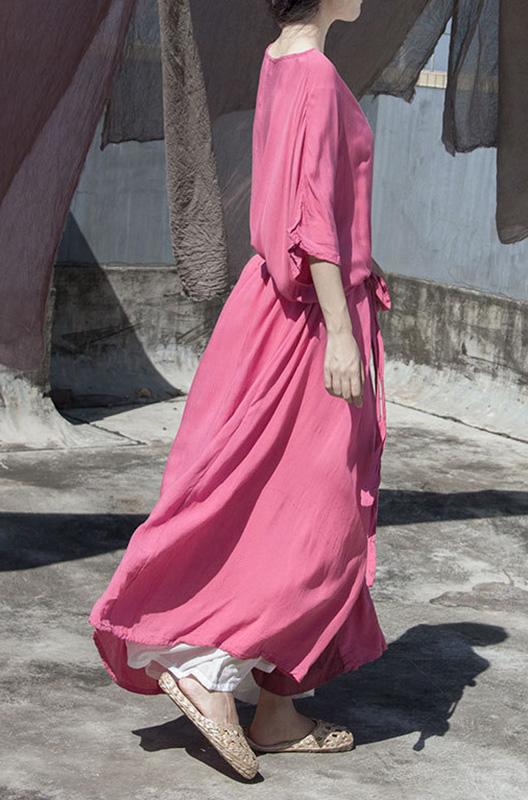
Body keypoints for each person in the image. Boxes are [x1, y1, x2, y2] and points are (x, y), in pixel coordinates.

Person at [87, 0, 392, 780]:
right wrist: (342, 332)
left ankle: (277, 710)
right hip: (309, 324)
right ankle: (208, 668)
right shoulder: (313, 74)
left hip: (273, 311)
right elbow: (311, 218)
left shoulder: (281, 57)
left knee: (265, 497)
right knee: (316, 523)